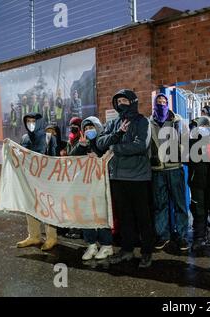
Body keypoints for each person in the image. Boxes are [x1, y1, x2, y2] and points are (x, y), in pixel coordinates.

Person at [97, 89, 155, 268]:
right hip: (117, 177)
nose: (121, 103)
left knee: (143, 217)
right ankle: (127, 250)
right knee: (124, 218)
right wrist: (117, 136)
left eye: (125, 100)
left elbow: (140, 145)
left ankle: (146, 252)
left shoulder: (142, 121)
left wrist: (115, 148)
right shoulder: (114, 123)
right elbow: (100, 143)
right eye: (118, 100)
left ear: (133, 101)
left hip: (138, 178)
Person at [70, 116, 114, 261]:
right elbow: (71, 159)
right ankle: (91, 244)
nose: (89, 131)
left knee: (100, 214)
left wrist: (98, 157)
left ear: (98, 127)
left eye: (91, 127)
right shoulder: (83, 143)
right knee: (86, 214)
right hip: (86, 186)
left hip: (101, 186)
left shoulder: (104, 141)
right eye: (86, 128)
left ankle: (106, 245)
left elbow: (109, 157)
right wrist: (81, 146)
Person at [149, 93, 190, 251]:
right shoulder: (149, 122)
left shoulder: (178, 121)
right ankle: (163, 236)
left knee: (180, 204)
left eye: (164, 101)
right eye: (158, 102)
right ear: (154, 104)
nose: (161, 104)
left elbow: (186, 141)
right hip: (157, 170)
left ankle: (182, 237)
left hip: (174, 168)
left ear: (168, 103)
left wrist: (178, 152)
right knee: (160, 205)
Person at [16, 112, 58, 251]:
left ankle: (51, 237)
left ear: (39, 122)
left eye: (33, 120)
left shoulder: (49, 137)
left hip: (46, 180)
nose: (30, 123)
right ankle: (34, 235)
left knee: (48, 208)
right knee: (30, 206)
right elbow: (21, 157)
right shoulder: (24, 137)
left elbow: (54, 159)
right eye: (28, 121)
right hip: (30, 179)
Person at [188, 116, 210, 254]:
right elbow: (187, 157)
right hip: (197, 182)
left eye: (207, 126)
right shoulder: (192, 139)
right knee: (199, 211)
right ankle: (199, 238)